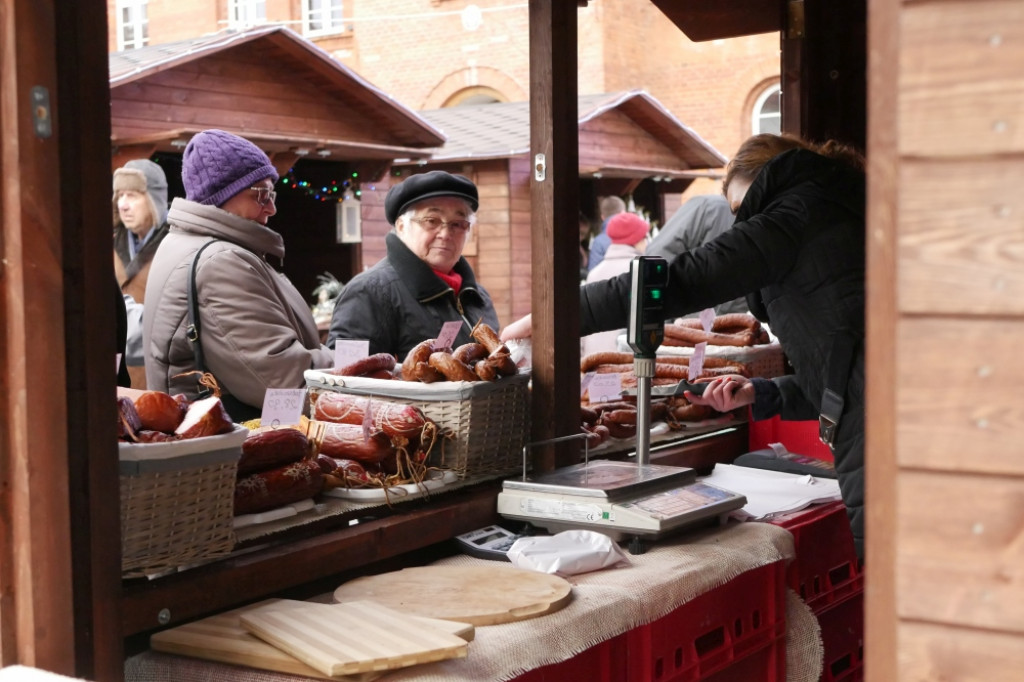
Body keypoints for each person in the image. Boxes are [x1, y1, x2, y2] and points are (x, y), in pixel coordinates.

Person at [501, 133, 867, 560]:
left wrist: (552, 317)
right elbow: (842, 376)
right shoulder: (839, 207)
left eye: (742, 209)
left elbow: (683, 279)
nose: (741, 223)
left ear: (765, 181)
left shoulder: (798, 210)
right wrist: (760, 393)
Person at [143, 129, 333, 420]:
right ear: (222, 195)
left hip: (208, 434)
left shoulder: (185, 243)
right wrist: (352, 368)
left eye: (272, 194)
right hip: (233, 439)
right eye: (261, 195)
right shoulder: (220, 262)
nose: (272, 207)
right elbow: (282, 381)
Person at [327, 170, 499, 359]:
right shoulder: (369, 292)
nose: (445, 234)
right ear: (401, 227)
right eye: (431, 221)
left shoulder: (477, 296)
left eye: (457, 224)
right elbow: (345, 372)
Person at [113, 158, 171, 389]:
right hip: (121, 383)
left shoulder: (175, 244)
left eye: (132, 195)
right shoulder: (105, 243)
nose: (123, 205)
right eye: (120, 195)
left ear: (155, 199)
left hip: (162, 381)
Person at [645, 194, 748, 316]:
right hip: (683, 318)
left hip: (726, 322)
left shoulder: (760, 222)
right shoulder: (710, 207)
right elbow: (659, 254)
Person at [581, 212, 650, 356]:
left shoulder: (594, 273)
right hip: (628, 360)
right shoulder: (643, 271)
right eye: (644, 237)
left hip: (593, 359)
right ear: (635, 240)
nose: (647, 242)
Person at [586, 195, 626, 272]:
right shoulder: (636, 236)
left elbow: (593, 272)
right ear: (623, 213)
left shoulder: (598, 242)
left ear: (602, 217)